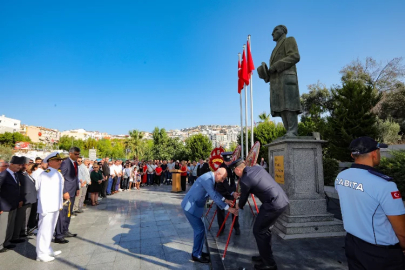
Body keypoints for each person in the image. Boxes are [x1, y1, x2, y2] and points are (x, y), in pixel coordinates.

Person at [335, 137, 405, 270]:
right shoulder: (384, 185)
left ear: (352, 155)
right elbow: (401, 231)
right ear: (374, 153)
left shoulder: (341, 177)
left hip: (353, 244)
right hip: (380, 254)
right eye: (379, 151)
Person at [230, 158, 289, 270]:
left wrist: (239, 205)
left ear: (238, 170)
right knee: (264, 231)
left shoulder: (245, 179)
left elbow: (243, 198)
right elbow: (255, 185)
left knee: (259, 231)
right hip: (281, 200)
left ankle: (269, 264)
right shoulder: (257, 169)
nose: (235, 174)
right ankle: (265, 256)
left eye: (234, 171)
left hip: (273, 205)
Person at [181, 168, 238, 263]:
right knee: (199, 230)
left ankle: (198, 252)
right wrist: (228, 208)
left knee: (200, 230)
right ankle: (196, 255)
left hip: (194, 206)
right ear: (218, 174)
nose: (222, 181)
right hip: (190, 207)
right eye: (223, 178)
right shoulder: (207, 179)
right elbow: (213, 196)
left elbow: (214, 192)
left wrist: (225, 200)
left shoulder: (210, 178)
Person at [257, 25, 301, 137]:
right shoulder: (274, 50)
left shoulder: (289, 40)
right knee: (281, 107)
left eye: (275, 30)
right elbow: (272, 71)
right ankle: (289, 131)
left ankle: (293, 131)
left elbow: (295, 56)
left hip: (286, 79)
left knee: (289, 105)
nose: (272, 33)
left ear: (283, 31)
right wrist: (265, 74)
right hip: (276, 82)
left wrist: (276, 66)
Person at [35, 152, 64, 262]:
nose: (60, 162)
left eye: (60, 160)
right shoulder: (46, 174)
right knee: (44, 230)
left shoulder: (57, 173)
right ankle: (41, 254)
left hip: (55, 206)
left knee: (50, 230)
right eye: (57, 160)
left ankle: (47, 249)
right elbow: (42, 191)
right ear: (50, 162)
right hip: (47, 207)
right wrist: (43, 208)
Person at [55, 147, 80, 244]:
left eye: (78, 154)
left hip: (72, 191)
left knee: (68, 213)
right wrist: (64, 191)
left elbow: (75, 177)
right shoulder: (65, 163)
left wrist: (77, 188)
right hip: (66, 192)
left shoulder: (75, 163)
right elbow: (61, 177)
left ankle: (65, 230)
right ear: (70, 153)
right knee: (63, 214)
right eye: (76, 154)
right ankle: (59, 234)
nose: (77, 156)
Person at [0, 156, 24, 253]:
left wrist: (18, 201)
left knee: (10, 225)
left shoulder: (15, 175)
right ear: (12, 164)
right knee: (3, 226)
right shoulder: (3, 175)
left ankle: (7, 242)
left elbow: (16, 189)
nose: (20, 166)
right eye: (18, 164)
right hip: (4, 206)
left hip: (13, 204)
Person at [12, 157, 37, 243]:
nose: (26, 166)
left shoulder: (26, 174)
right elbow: (19, 188)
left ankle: (23, 232)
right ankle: (16, 236)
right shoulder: (18, 174)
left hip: (30, 198)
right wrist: (20, 199)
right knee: (19, 219)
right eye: (25, 164)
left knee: (25, 218)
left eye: (27, 164)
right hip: (24, 199)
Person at [216, 152, 240, 236]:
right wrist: (232, 192)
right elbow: (225, 182)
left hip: (231, 192)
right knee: (220, 210)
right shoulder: (221, 168)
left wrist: (234, 190)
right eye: (227, 161)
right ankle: (221, 228)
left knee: (234, 209)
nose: (228, 162)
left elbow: (233, 180)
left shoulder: (232, 167)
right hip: (221, 192)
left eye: (229, 161)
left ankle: (236, 227)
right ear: (223, 160)